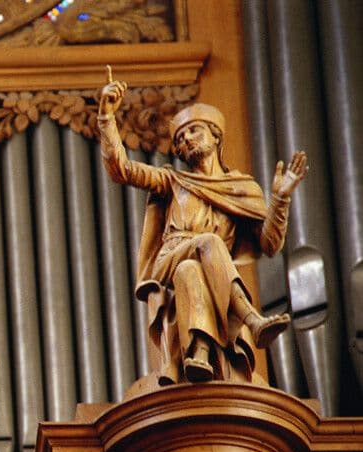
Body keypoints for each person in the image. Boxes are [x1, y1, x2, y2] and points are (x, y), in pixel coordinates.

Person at [97, 77, 307, 384]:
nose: (186, 140)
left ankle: (200, 352)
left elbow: (270, 244)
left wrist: (280, 199)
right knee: (207, 242)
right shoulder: (174, 181)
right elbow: (122, 170)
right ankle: (252, 319)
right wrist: (106, 116)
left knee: (190, 270)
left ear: (215, 135)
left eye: (193, 131)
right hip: (169, 258)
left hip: (202, 269)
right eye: (180, 138)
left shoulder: (242, 187)